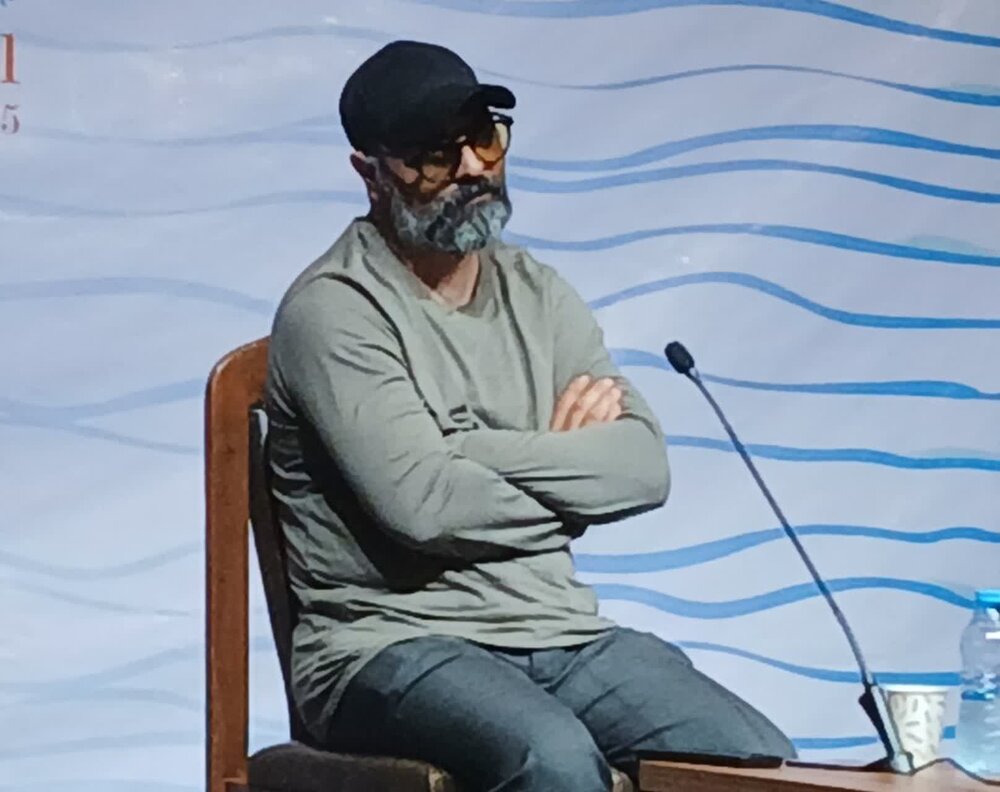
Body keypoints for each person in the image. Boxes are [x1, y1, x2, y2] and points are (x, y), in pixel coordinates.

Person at [265, 39, 795, 792]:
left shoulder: (538, 292)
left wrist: (470, 448)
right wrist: (568, 479)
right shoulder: (335, 310)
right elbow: (424, 507)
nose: (473, 168)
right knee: (553, 762)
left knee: (755, 759)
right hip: (389, 646)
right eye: (435, 156)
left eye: (484, 138)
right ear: (371, 173)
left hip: (559, 630)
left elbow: (642, 469)